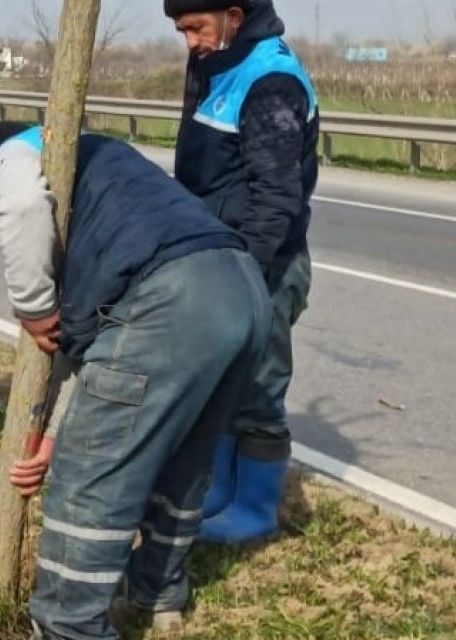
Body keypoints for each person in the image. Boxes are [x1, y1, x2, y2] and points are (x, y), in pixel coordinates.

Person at [0, 122, 271, 638]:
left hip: (170, 299)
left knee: (90, 480)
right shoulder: (104, 162)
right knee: (184, 460)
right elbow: (81, 345)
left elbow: (20, 206)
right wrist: (50, 434)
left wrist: (33, 306)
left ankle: (69, 624)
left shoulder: (13, 154)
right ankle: (159, 596)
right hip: (242, 287)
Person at [165, 0, 319, 543]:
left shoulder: (270, 81)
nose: (190, 41)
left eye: (195, 27)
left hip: (264, 265)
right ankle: (219, 492)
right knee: (224, 381)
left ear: (232, 13)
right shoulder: (219, 62)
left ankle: (254, 510)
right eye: (181, 30)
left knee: (258, 386)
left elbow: (275, 199)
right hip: (221, 258)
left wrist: (246, 279)